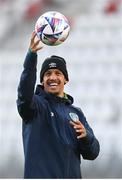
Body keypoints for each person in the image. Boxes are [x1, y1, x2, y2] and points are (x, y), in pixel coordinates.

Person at [17, 31, 100, 179]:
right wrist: (31, 57)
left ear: (66, 79)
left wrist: (87, 137)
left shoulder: (76, 113)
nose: (53, 77)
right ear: (42, 81)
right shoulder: (35, 106)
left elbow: (93, 153)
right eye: (48, 74)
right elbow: (24, 93)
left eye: (58, 73)